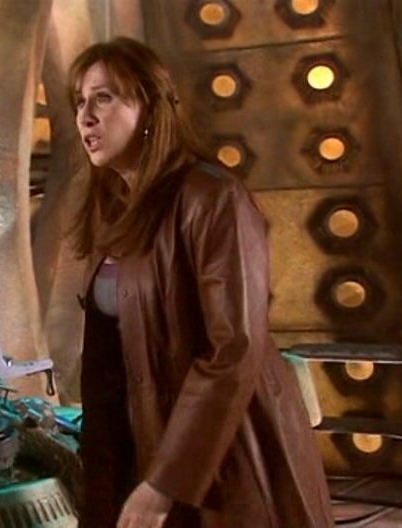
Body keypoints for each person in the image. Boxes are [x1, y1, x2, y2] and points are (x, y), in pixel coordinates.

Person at [68, 37, 334, 528]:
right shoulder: (115, 210)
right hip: (146, 447)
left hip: (224, 459)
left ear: (149, 106)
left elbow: (234, 348)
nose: (85, 117)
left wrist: (165, 484)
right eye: (80, 101)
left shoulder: (211, 198)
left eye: (103, 98)